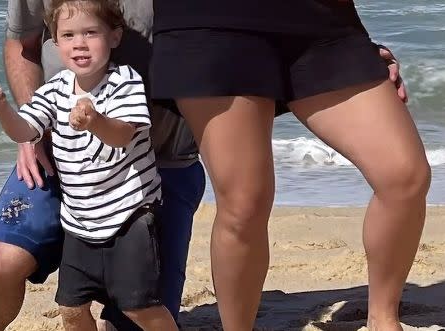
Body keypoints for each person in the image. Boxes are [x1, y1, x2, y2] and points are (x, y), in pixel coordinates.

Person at [0, 0, 407, 330]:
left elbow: (264, 30)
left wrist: (355, 60)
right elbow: (22, 43)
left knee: (139, 314)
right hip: (59, 156)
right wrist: (31, 125)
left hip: (158, 171)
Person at [150, 1, 430, 331]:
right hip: (211, 22)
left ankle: (383, 319)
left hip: (322, 21)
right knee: (245, 203)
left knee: (404, 175)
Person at [0, 0, 205, 330]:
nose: (79, 43)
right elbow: (23, 54)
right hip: (75, 199)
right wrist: (2, 108)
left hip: (138, 194)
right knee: (58, 300)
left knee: (139, 308)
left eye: (90, 33)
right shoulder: (56, 90)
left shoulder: (125, 81)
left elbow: (123, 134)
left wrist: (95, 122)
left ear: (114, 37)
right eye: (67, 35)